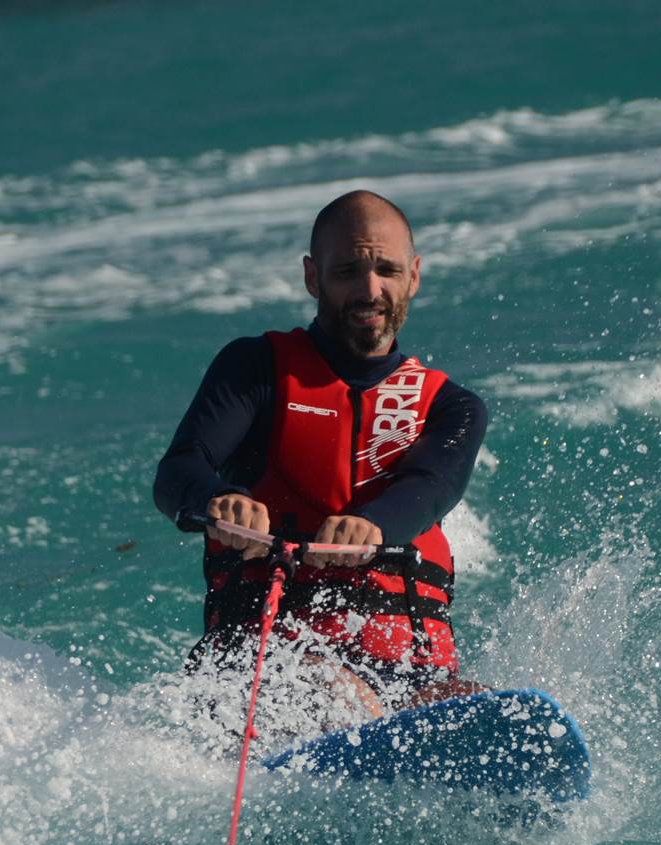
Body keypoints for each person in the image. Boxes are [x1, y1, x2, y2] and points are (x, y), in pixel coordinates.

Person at [152, 189, 488, 714]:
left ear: (414, 276)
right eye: (348, 271)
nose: (369, 289)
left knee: (481, 706)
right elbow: (179, 470)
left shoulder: (453, 406)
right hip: (270, 663)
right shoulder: (255, 369)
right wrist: (218, 500)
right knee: (336, 693)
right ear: (313, 277)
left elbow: (432, 487)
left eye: (387, 270)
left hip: (407, 675)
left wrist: (373, 525)